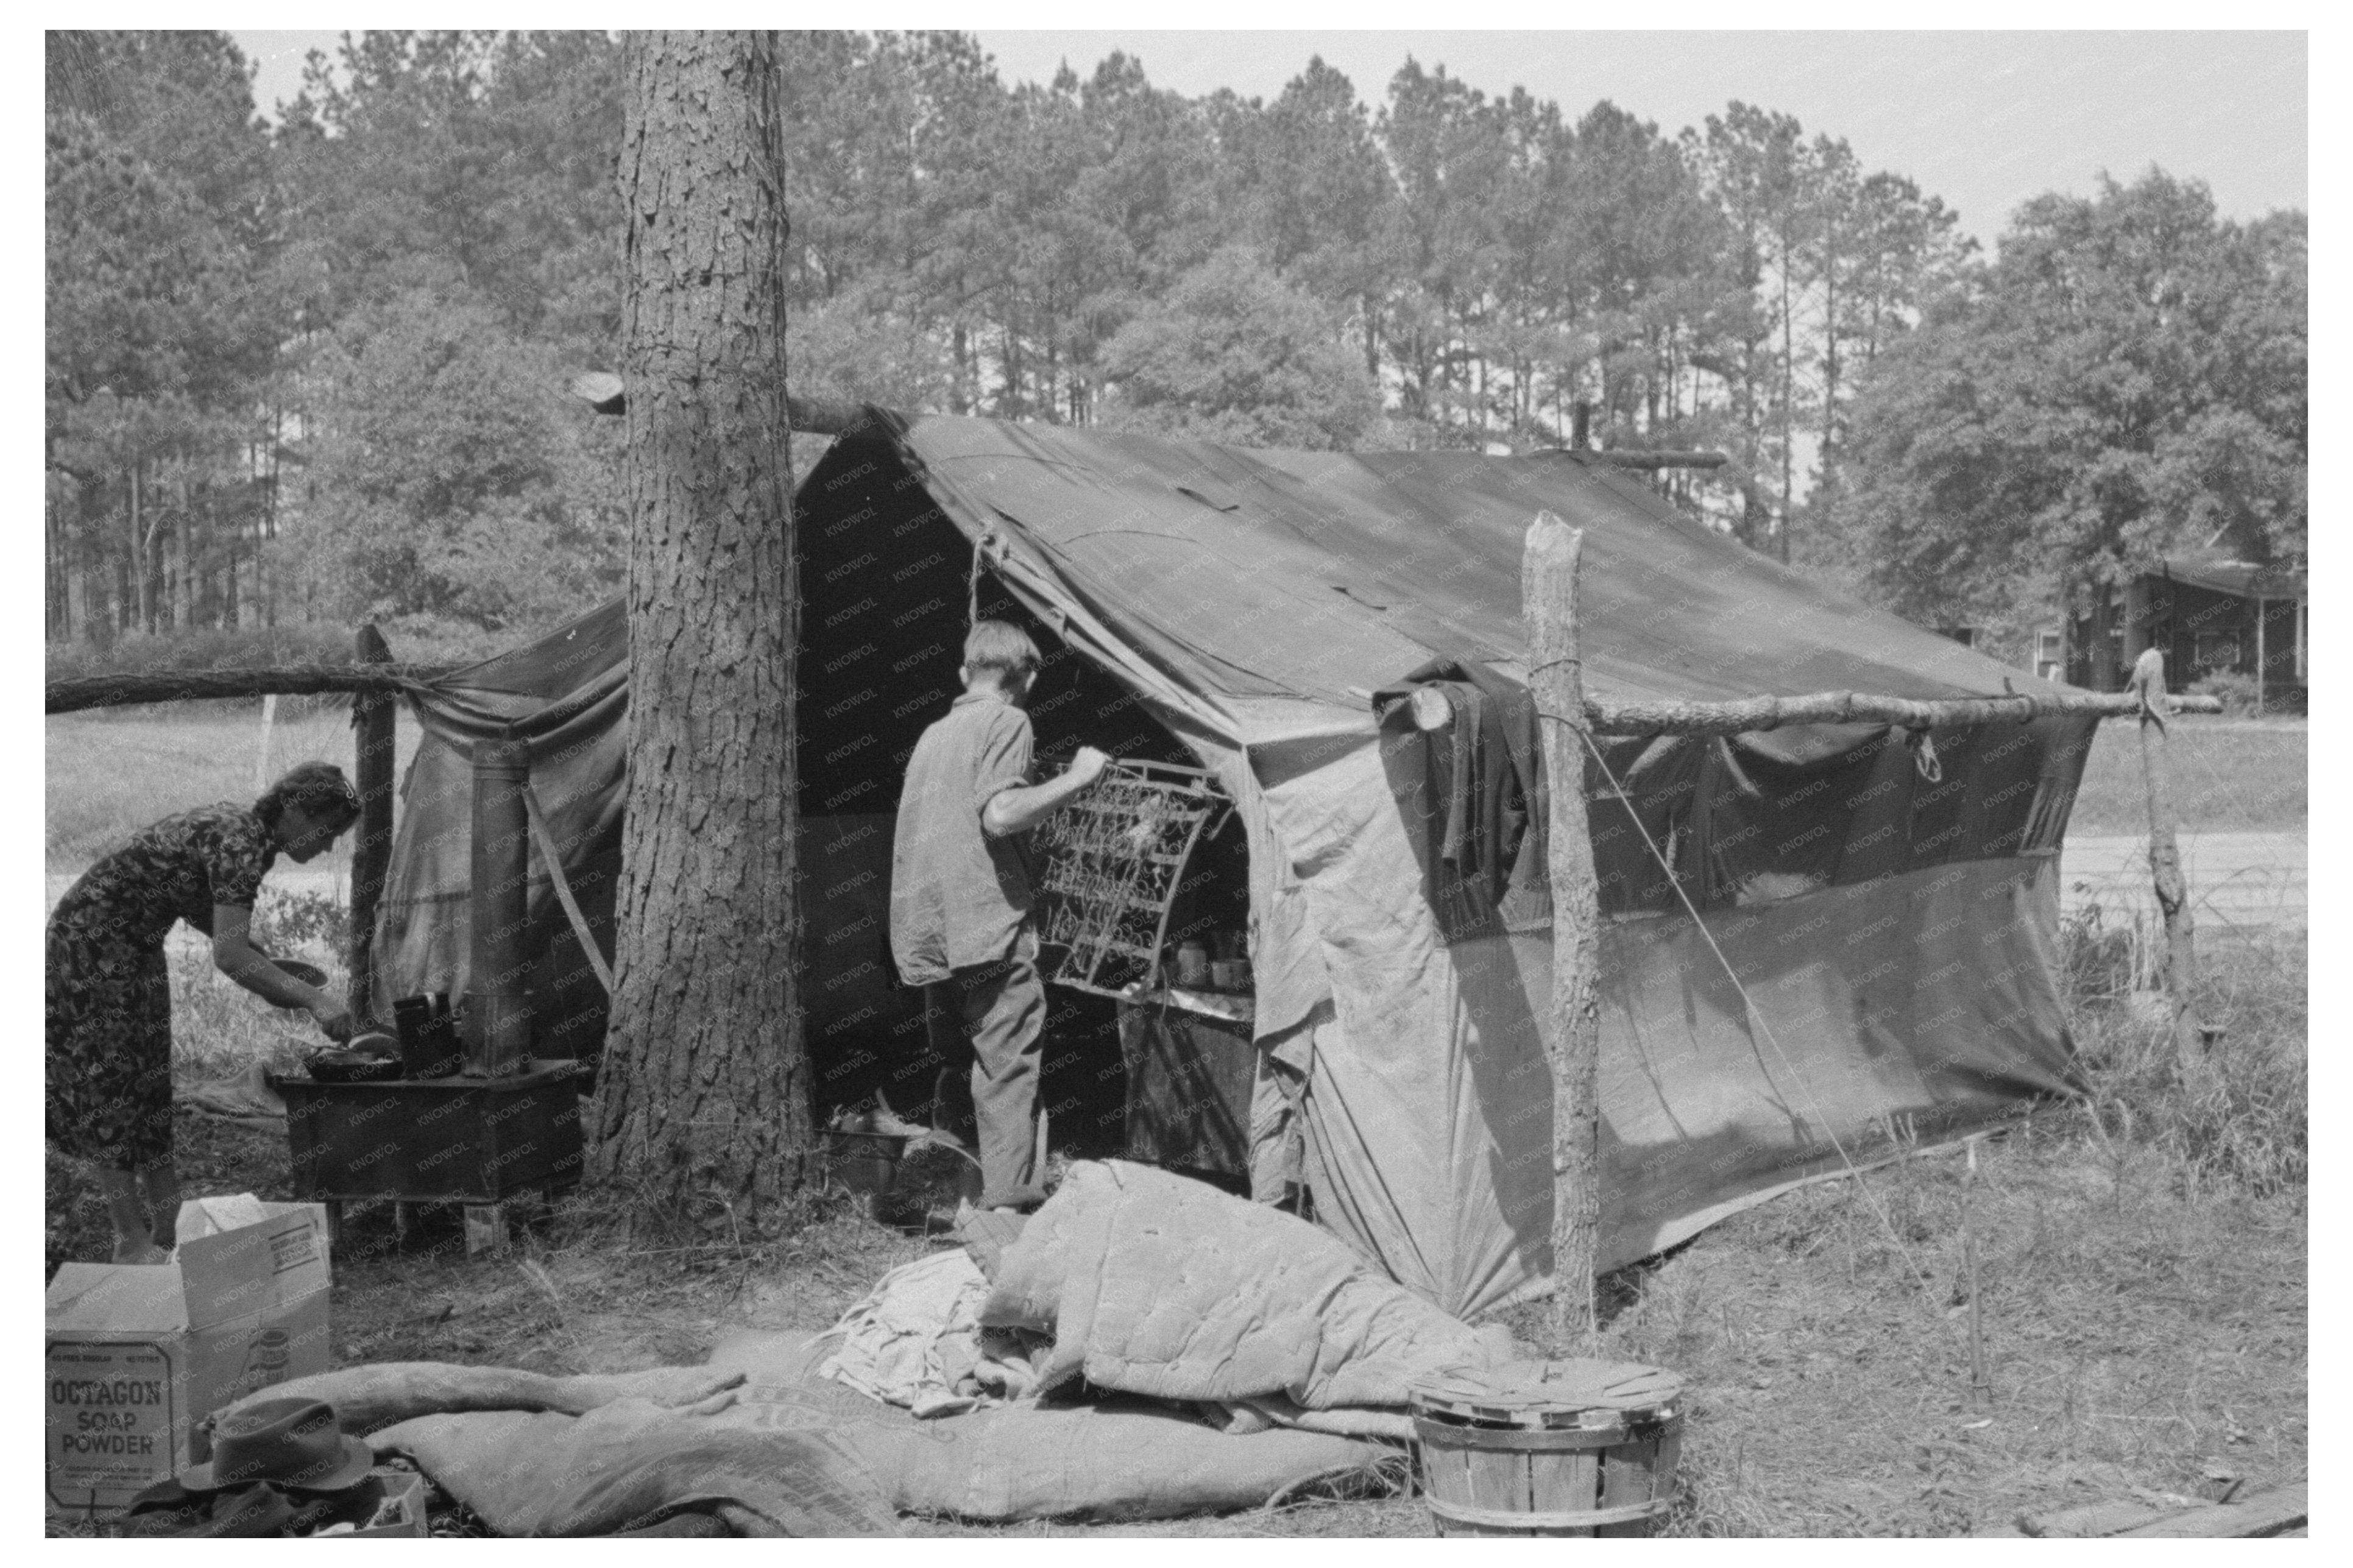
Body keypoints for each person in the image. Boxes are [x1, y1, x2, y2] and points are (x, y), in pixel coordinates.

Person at [47, 761, 363, 1262]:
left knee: (150, 1084)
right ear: (297, 812)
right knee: (111, 1091)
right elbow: (231, 958)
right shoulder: (241, 842)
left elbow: (211, 918)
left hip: (135, 949)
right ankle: (128, 1239)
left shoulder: (245, 833)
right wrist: (316, 1000)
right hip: (90, 951)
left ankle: (169, 1229)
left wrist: (274, 973)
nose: (327, 848)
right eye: (327, 834)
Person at [890, 621, 1108, 1213]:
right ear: (1026, 676)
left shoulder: (935, 734)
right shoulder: (1009, 722)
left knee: (961, 1070)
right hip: (988, 929)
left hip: (933, 933)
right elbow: (1002, 815)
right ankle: (1007, 1215)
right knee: (1007, 1073)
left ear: (966, 673)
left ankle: (965, 1205)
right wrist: (1079, 777)